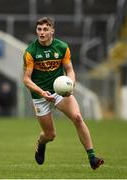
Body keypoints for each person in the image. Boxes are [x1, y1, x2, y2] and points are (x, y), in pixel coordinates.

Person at [23, 17, 104, 169]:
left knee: (78, 118)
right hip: (40, 96)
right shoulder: (30, 51)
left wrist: (70, 84)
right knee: (50, 135)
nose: (42, 32)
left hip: (59, 92)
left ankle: (92, 157)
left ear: (52, 30)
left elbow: (70, 70)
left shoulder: (62, 47)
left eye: (45, 29)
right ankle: (41, 143)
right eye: (39, 29)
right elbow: (26, 80)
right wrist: (41, 92)